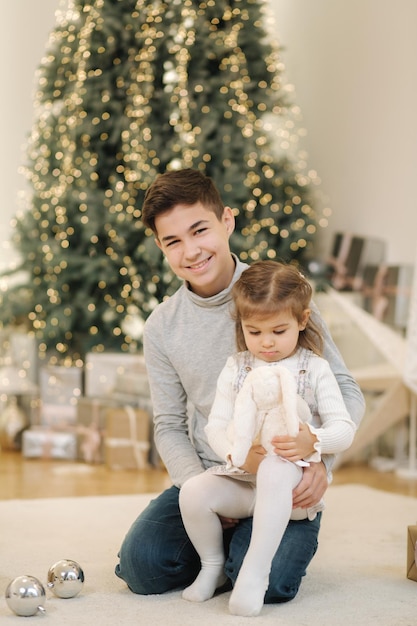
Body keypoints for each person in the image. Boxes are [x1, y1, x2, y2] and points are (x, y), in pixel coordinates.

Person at [114, 168, 365, 604]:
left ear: (226, 221)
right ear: (160, 246)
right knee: (142, 568)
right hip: (215, 473)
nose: (191, 251)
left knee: (274, 586)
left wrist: (322, 459)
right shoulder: (162, 327)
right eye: (173, 241)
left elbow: (344, 388)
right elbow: (170, 425)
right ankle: (225, 552)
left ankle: (248, 553)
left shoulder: (282, 294)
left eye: (200, 230)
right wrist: (202, 488)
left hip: (284, 474)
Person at [178, 260, 357, 616]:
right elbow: (216, 425)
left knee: (276, 467)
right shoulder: (237, 367)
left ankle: (254, 575)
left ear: (302, 321)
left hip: (288, 494)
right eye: (254, 332)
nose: (267, 343)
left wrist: (314, 442)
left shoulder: (315, 369)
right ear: (242, 326)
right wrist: (237, 455)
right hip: (244, 482)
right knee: (192, 491)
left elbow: (345, 428)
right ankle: (212, 566)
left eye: (278, 330)